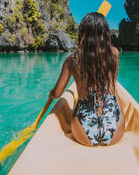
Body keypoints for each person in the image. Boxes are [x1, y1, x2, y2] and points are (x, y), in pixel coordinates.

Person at [48, 12, 125, 146]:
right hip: (115, 130)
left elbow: (57, 94)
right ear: (106, 34)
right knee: (114, 95)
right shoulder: (114, 53)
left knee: (79, 102)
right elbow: (112, 86)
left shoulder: (72, 60)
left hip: (83, 133)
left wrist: (51, 93)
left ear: (82, 34)